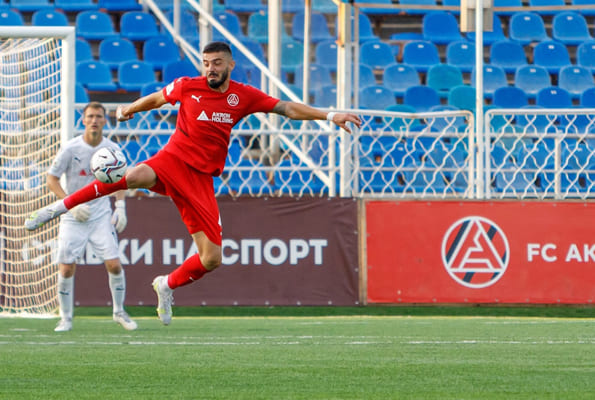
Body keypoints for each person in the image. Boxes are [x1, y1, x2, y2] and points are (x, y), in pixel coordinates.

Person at [25, 41, 361, 325]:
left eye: (217, 63)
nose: (210, 69)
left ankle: (166, 285)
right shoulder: (189, 86)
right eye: (206, 63)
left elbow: (286, 108)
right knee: (134, 176)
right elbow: (158, 98)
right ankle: (59, 207)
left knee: (212, 257)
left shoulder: (243, 96)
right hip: (172, 160)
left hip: (200, 180)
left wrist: (330, 115)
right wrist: (131, 109)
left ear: (230, 65)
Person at [45, 102, 137, 332]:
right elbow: (51, 179)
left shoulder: (112, 149)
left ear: (105, 120)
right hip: (73, 215)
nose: (94, 120)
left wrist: (121, 206)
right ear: (83, 120)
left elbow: (121, 178)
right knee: (66, 268)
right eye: (90, 116)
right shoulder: (71, 148)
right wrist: (69, 204)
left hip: (100, 214)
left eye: (98, 116)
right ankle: (65, 318)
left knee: (114, 264)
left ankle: (119, 312)